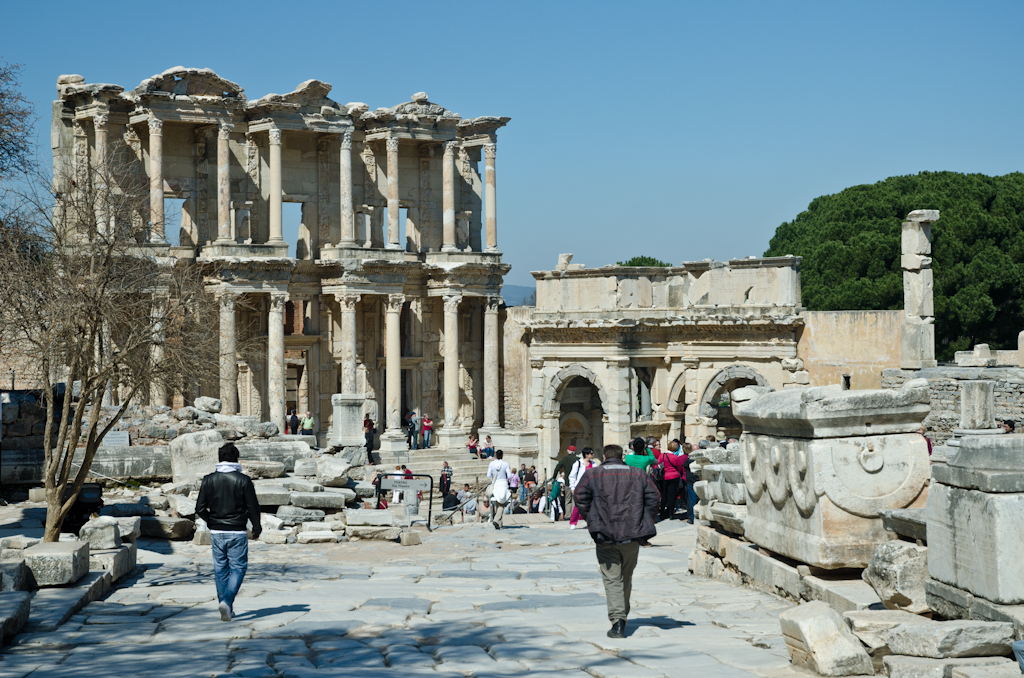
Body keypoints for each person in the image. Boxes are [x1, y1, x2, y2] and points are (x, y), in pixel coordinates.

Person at [575, 443, 659, 639]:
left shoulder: (593, 474)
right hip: (631, 533)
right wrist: (644, 518)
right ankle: (622, 614)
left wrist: (592, 519)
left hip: (605, 533)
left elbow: (580, 497)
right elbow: (654, 497)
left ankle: (618, 621)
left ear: (604, 456)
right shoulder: (638, 474)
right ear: (622, 456)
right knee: (626, 576)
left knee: (612, 578)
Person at [195, 443, 262, 622]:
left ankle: (227, 607)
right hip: (237, 531)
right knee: (238, 568)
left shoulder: (208, 479)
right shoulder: (244, 480)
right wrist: (256, 527)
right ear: (236, 458)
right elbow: (253, 507)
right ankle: (226, 601)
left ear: (219, 458)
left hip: (216, 532)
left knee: (220, 569)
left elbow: (199, 508)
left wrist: (211, 521)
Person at [568, 447, 597, 529]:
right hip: (580, 487)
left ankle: (590, 523)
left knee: (591, 506)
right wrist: (572, 487)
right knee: (578, 506)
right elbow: (572, 476)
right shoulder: (578, 463)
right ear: (586, 454)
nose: (593, 455)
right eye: (591, 453)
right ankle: (573, 522)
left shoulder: (594, 464)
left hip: (591, 487)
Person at [659, 440, 688, 521]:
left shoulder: (662, 455)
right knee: (672, 496)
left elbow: (658, 464)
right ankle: (671, 513)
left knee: (664, 495)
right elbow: (679, 468)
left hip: (665, 477)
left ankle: (662, 513)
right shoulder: (675, 457)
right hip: (674, 477)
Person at [554, 446, 580, 518]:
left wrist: (554, 477)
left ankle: (568, 515)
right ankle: (575, 515)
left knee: (568, 500)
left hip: (568, 482)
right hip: (577, 483)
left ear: (568, 451)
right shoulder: (578, 459)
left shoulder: (565, 459)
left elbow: (557, 467)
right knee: (575, 500)